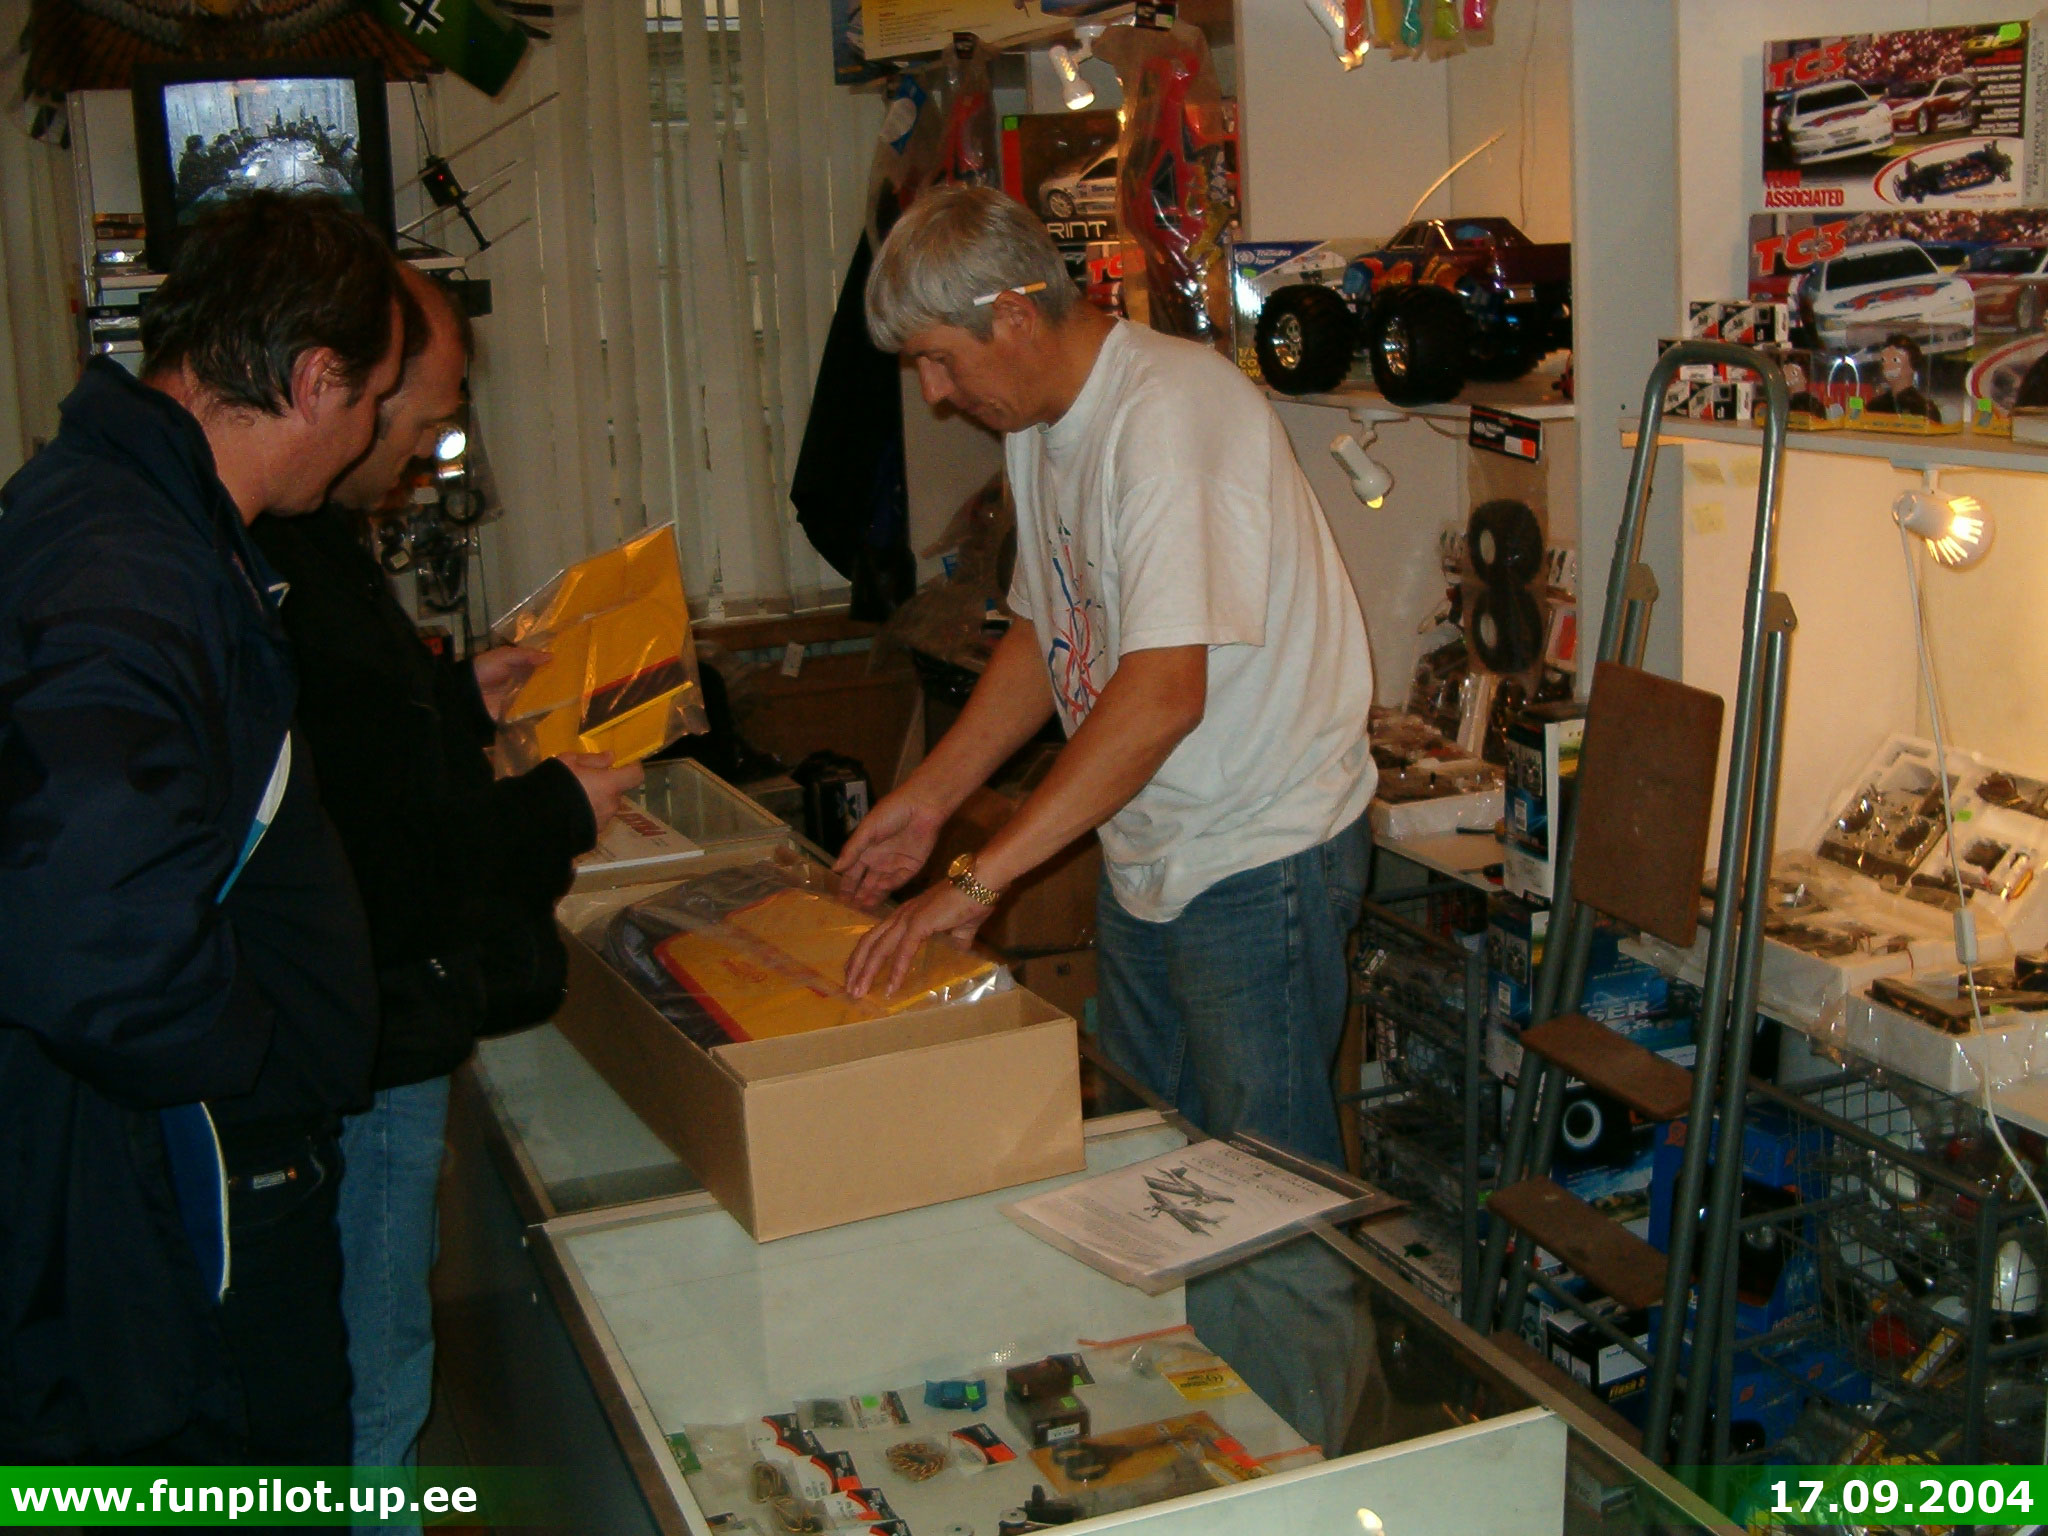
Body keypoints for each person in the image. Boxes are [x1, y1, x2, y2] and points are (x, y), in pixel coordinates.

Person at [837, 185, 1377, 1450]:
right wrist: (929, 801)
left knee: (1264, 1210)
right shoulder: (1044, 423)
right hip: (1156, 849)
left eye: (939, 361)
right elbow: (1050, 631)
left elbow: (1158, 696)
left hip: (1258, 850)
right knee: (1162, 1187)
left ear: (1015, 315)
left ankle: (1315, 1478)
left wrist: (977, 883)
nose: (934, 395)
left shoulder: (1170, 418)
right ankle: (1217, 1453)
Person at [0, 191, 408, 1465]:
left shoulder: (140, 511)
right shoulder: (123, 565)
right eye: (371, 400)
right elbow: (86, 928)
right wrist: (251, 1055)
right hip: (190, 1166)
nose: (371, 433)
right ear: (313, 380)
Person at [250, 267, 642, 1481]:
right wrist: (557, 807)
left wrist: (456, 697)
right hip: (364, 1042)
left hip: (367, 1028)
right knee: (374, 1382)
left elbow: (364, 748)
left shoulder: (303, 538)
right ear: (349, 390)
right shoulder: (274, 551)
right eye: (419, 420)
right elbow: (386, 856)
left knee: (372, 1358)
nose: (423, 452)